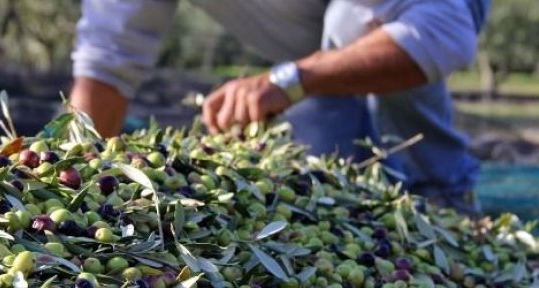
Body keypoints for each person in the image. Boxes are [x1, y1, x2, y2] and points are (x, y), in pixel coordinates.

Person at [70, 0, 490, 215]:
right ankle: (346, 207)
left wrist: (287, 81)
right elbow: (104, 66)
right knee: (329, 191)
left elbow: (443, 34)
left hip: (421, 11)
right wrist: (77, 181)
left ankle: (443, 196)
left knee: (350, 23)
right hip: (308, 41)